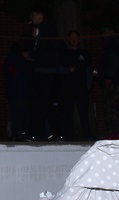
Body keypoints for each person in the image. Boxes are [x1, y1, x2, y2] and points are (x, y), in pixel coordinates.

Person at [21, 4, 63, 141]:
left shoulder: (47, 29)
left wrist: (31, 54)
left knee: (41, 101)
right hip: (41, 70)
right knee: (44, 101)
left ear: (40, 15)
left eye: (34, 15)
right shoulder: (40, 29)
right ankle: (50, 132)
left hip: (46, 70)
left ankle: (37, 132)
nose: (32, 18)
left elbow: (46, 49)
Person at [60, 30, 94, 141]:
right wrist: (67, 70)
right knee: (68, 113)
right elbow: (59, 69)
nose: (74, 40)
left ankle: (87, 135)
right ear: (68, 39)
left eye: (75, 38)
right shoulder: (64, 53)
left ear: (79, 39)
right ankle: (68, 136)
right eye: (72, 38)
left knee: (83, 113)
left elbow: (89, 70)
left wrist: (88, 86)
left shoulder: (84, 54)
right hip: (68, 89)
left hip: (82, 89)